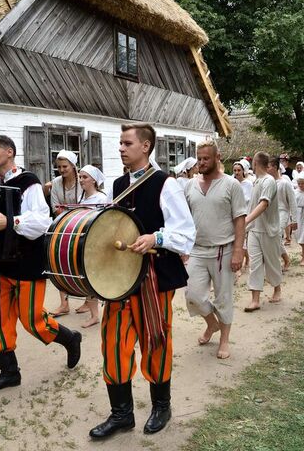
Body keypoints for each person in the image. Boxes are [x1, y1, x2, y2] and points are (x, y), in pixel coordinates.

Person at [89, 123, 195, 439]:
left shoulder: (166, 184)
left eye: (127, 143)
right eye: (120, 143)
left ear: (145, 146)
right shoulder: (117, 184)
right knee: (113, 343)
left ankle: (161, 406)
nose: (120, 148)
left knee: (155, 342)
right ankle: (121, 414)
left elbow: (186, 233)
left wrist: (156, 237)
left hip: (154, 277)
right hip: (118, 279)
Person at [0, 135, 82, 394]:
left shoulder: (29, 183)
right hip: (0, 263)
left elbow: (41, 223)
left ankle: (70, 339)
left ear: (9, 153)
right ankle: (9, 372)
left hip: (27, 263)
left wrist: (10, 222)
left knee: (32, 320)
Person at [184, 140, 246, 360]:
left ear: (217, 157)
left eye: (205, 158)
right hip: (197, 250)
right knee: (192, 294)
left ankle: (224, 339)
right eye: (199, 158)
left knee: (223, 297)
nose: (201, 162)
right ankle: (212, 324)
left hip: (224, 250)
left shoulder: (231, 185)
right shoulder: (190, 185)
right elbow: (184, 218)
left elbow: (240, 219)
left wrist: (238, 250)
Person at [244, 152, 283, 311]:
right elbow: (252, 205)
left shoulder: (269, 181)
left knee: (272, 262)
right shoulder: (255, 181)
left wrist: (246, 220)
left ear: (254, 163)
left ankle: (277, 289)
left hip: (269, 230)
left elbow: (264, 204)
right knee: (255, 264)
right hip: (254, 230)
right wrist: (246, 222)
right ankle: (255, 299)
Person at [49, 150, 83, 317]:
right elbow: (55, 207)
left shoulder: (82, 180)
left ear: (73, 165)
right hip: (63, 226)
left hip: (83, 226)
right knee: (59, 264)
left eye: (65, 166)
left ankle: (88, 301)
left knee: (84, 264)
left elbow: (88, 205)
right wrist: (67, 213)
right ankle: (64, 304)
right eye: (59, 167)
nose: (61, 170)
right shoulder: (56, 183)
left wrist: (69, 211)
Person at [77, 164, 109, 328]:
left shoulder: (101, 199)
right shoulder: (82, 199)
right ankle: (94, 314)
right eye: (80, 177)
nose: (81, 180)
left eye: (84, 177)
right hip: (83, 242)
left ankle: (95, 315)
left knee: (92, 278)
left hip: (95, 242)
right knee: (85, 277)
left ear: (94, 181)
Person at [267, 156, 297, 267]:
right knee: (272, 238)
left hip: (282, 212)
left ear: (275, 167)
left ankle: (276, 263)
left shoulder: (284, 183)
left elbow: (292, 202)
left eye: (268, 166)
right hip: (270, 214)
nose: (266, 169)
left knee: (276, 236)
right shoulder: (267, 182)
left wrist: (294, 219)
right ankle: (286, 259)